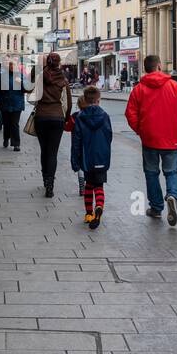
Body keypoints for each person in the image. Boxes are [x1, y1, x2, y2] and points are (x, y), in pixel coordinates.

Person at [125, 54, 177, 226]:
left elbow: (130, 113)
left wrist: (140, 130)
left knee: (151, 173)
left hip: (149, 138)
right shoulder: (173, 86)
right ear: (158, 66)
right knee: (171, 171)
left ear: (145, 69)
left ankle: (156, 207)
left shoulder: (139, 89)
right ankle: (173, 196)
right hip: (170, 138)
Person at [70, 86, 113, 230]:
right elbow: (109, 136)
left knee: (89, 185)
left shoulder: (81, 117)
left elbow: (76, 141)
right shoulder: (105, 116)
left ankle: (89, 214)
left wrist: (75, 161)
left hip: (87, 158)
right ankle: (99, 206)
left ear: (85, 99)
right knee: (99, 186)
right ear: (98, 100)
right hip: (101, 157)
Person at [33, 52, 72, 197]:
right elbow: (68, 103)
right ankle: (50, 184)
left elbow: (33, 97)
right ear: (58, 63)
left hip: (41, 117)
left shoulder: (40, 77)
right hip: (57, 118)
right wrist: (66, 118)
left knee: (44, 150)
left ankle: (45, 179)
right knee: (53, 152)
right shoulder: (63, 79)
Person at [0, 62, 25, 151]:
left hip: (17, 103)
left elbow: (27, 89)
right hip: (5, 103)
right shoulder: (2, 76)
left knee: (14, 123)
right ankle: (6, 138)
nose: (12, 66)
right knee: (6, 123)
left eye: (14, 65)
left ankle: (16, 144)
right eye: (10, 65)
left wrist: (21, 83)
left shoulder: (21, 76)